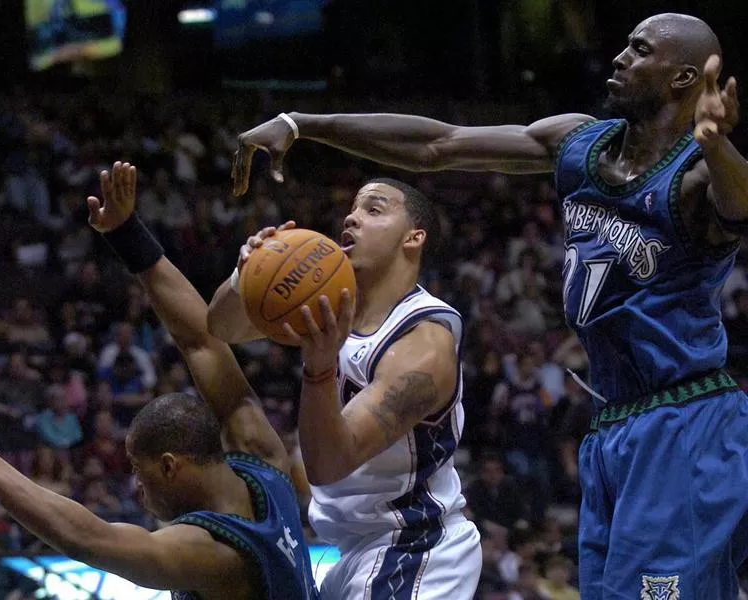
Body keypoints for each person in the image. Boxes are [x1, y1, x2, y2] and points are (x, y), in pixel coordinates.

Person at [231, 12, 748, 599]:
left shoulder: (697, 176)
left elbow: (738, 205)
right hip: (613, 424)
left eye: (640, 50)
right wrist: (302, 122)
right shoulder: (579, 142)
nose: (619, 58)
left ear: (683, 79)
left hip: (684, 420)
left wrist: (719, 145)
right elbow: (437, 144)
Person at [0, 162, 321, 600]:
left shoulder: (215, 553)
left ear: (169, 464)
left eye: (141, 475)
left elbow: (86, 538)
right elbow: (200, 341)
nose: (137, 489)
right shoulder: (264, 459)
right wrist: (128, 235)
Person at [208, 178, 482, 598]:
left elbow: (330, 462)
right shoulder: (328, 303)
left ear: (414, 237)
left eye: (374, 209)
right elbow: (221, 326)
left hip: (415, 546)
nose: (352, 216)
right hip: (354, 549)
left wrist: (319, 372)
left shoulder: (423, 343)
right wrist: (243, 275)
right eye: (353, 209)